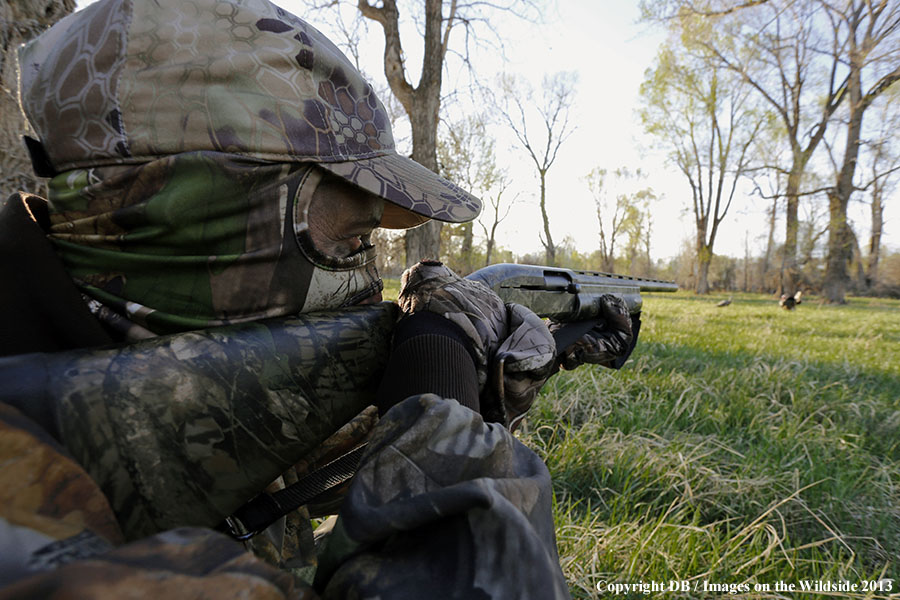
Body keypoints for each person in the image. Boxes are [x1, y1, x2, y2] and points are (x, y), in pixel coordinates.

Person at [0, 0, 634, 597]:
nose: (369, 284)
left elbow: (244, 467)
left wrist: (475, 385)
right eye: (354, 240)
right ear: (195, 215)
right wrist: (444, 411)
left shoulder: (128, 347)